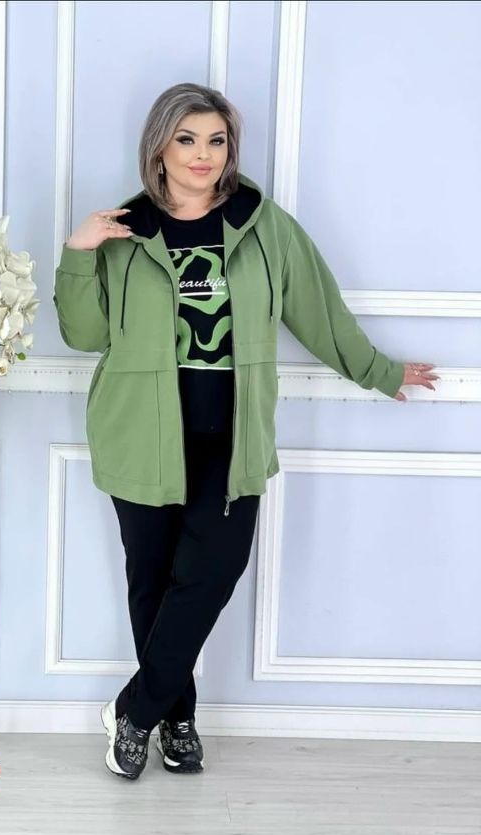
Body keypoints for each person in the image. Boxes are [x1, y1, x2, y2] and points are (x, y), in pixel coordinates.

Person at [53, 82, 439, 782]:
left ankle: (134, 712)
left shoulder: (264, 227)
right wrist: (79, 252)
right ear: (159, 148)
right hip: (139, 432)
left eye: (217, 140)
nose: (203, 155)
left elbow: (319, 311)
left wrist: (380, 371)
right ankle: (177, 720)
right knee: (153, 584)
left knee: (210, 575)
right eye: (187, 139)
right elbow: (82, 334)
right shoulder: (122, 232)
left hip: (233, 437)